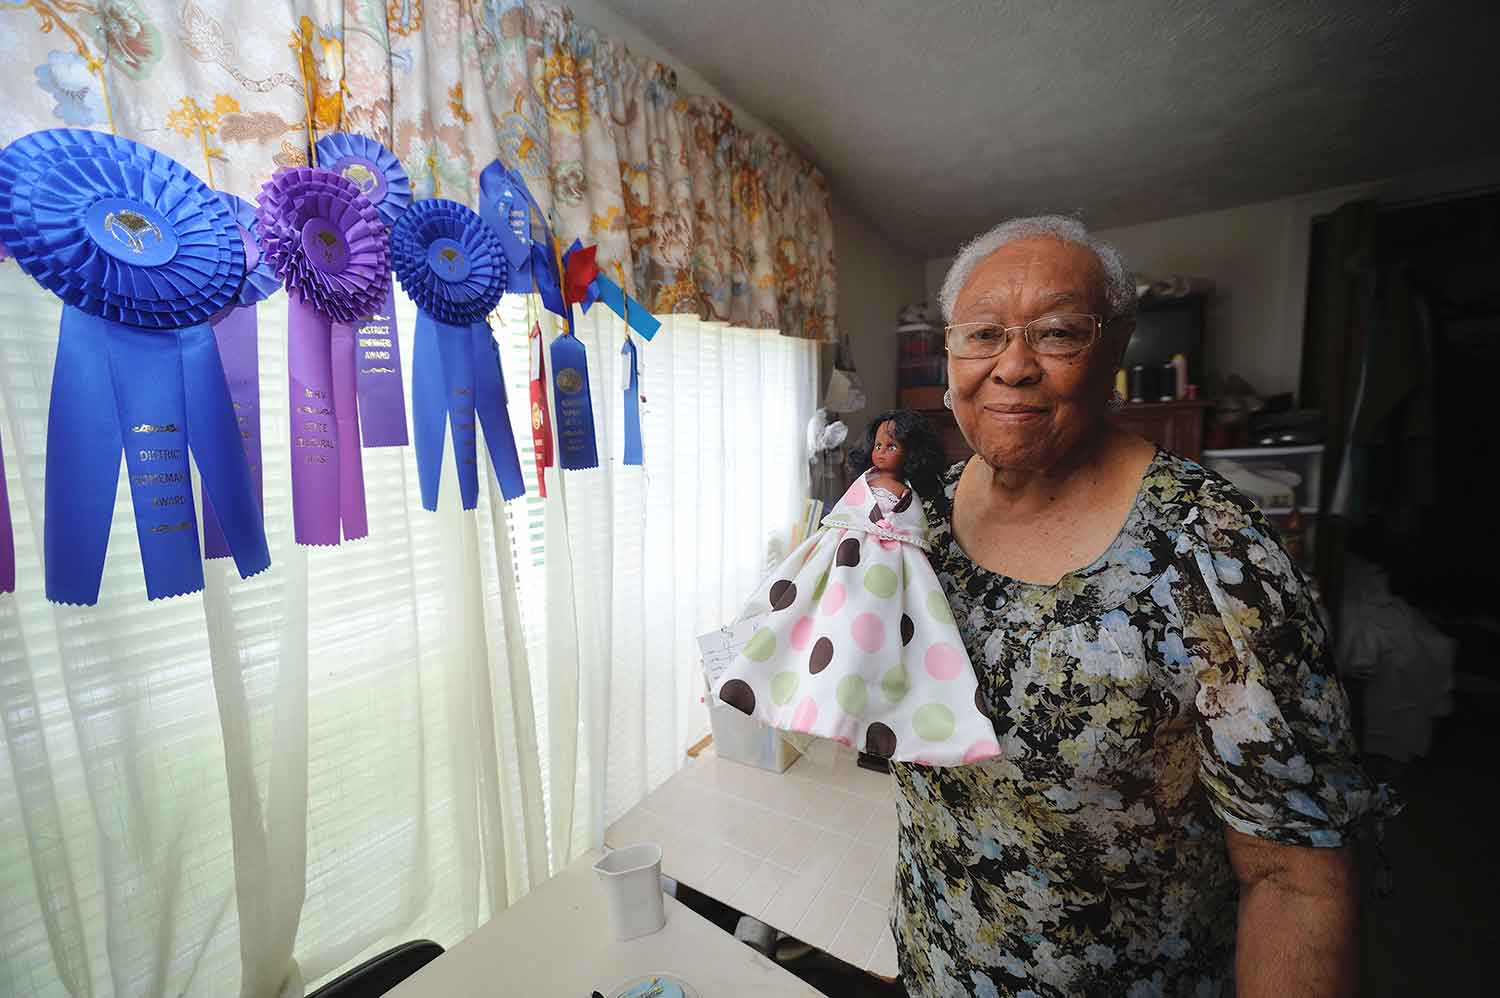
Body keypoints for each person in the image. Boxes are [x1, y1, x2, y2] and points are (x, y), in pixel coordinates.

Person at [893, 215, 1394, 997]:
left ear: (1115, 349)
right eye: (982, 334)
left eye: (1057, 333)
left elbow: (1292, 875)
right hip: (935, 964)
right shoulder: (916, 519)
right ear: (950, 354)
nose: (1013, 367)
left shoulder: (1213, 550)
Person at [714, 410, 999, 766]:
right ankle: (808, 696)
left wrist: (891, 532)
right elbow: (850, 513)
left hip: (892, 573)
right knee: (821, 630)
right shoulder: (865, 483)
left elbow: (911, 524)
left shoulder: (907, 494)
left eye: (892, 445)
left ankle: (876, 712)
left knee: (878, 640)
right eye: (878, 444)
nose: (881, 451)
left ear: (911, 453)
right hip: (846, 563)